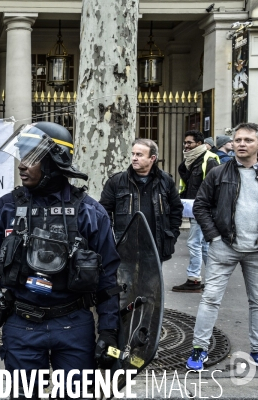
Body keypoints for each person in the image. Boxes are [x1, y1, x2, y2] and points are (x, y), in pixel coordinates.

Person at [0, 122, 120, 398]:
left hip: (74, 325)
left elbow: (109, 279)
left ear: (55, 162)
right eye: (22, 156)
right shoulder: (5, 209)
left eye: (32, 157)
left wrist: (109, 331)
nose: (22, 165)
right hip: (21, 325)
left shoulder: (90, 212)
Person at [186, 122, 258, 370]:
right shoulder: (219, 173)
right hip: (224, 246)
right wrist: (214, 238)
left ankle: (257, 350)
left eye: (248, 140)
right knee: (210, 299)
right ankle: (199, 349)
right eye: (238, 140)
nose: (241, 144)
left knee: (257, 301)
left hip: (256, 250)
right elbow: (200, 206)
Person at [99, 138, 183, 262]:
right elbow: (103, 213)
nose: (134, 158)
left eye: (139, 155)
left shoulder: (166, 181)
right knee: (125, 281)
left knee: (153, 282)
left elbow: (176, 210)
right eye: (133, 154)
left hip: (155, 247)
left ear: (152, 158)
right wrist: (112, 240)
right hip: (125, 248)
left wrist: (171, 236)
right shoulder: (116, 181)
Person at [172, 130, 219, 293]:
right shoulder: (188, 162)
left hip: (203, 208)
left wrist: (207, 206)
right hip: (194, 207)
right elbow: (185, 185)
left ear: (199, 144)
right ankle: (214, 278)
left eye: (189, 143)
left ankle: (194, 279)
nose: (186, 145)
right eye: (185, 143)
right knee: (204, 245)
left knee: (194, 243)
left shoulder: (209, 159)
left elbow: (214, 186)